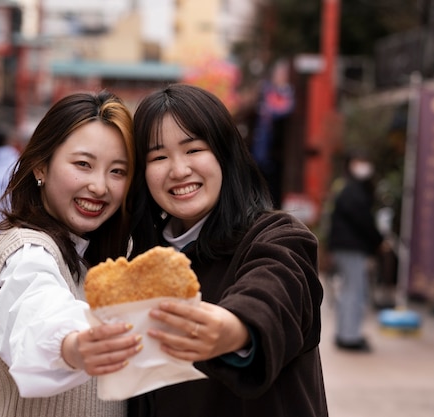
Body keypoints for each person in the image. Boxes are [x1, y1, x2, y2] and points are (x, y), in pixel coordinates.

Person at [127, 84, 328, 417]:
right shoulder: (137, 259)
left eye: (193, 150)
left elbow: (274, 292)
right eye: (159, 157)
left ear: (225, 153)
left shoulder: (277, 236)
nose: (178, 170)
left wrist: (234, 328)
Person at [0, 91, 142, 417]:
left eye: (117, 171)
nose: (100, 187)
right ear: (41, 166)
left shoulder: (93, 256)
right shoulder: (27, 253)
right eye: (83, 164)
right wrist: (73, 345)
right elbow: (38, 315)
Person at [326, 151, 384, 352]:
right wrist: (378, 240)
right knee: (354, 290)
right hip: (351, 247)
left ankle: (345, 333)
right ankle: (349, 336)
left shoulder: (348, 187)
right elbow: (363, 220)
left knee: (349, 289)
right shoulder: (353, 190)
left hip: (345, 246)